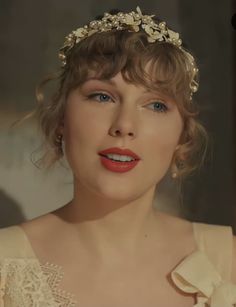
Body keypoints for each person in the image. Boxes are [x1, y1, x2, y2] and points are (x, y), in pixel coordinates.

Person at [0, 6, 236, 307]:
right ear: (61, 118)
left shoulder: (227, 264)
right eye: (102, 96)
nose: (124, 125)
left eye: (156, 105)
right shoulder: (4, 266)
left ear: (182, 137)